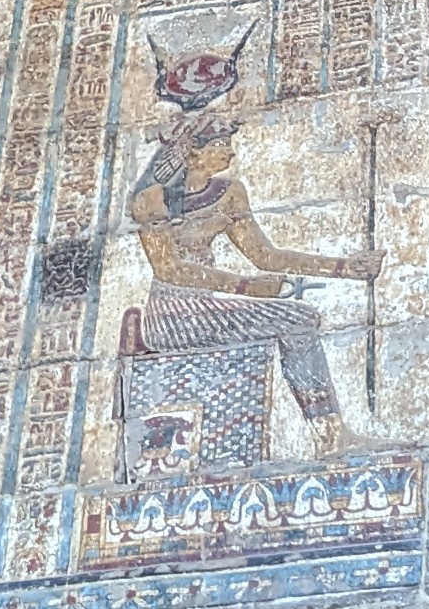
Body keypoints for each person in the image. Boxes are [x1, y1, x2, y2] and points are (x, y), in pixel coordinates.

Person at [122, 37, 370, 447]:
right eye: (221, 146)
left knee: (299, 318)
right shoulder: (151, 200)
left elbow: (265, 255)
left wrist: (345, 268)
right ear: (190, 153)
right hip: (172, 312)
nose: (230, 154)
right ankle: (330, 436)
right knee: (298, 321)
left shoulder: (229, 193)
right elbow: (170, 270)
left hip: (210, 306)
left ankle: (329, 434)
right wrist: (246, 287)